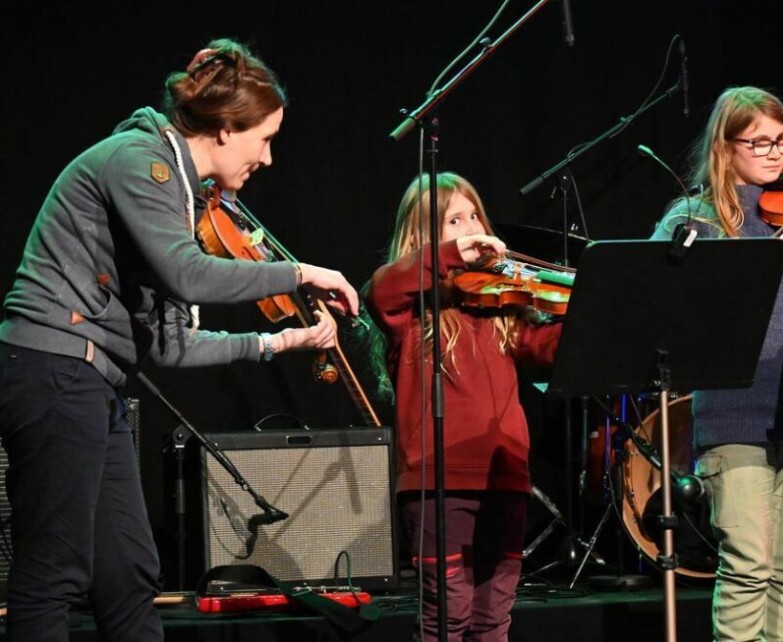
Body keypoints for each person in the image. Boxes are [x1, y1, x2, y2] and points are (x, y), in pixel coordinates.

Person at [0, 38, 359, 642]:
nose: (268, 158)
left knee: (127, 572)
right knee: (54, 571)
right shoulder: (142, 162)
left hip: (93, 380)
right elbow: (188, 273)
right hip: (55, 369)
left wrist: (281, 343)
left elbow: (168, 347)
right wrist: (300, 271)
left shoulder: (179, 197)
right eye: (264, 139)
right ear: (224, 129)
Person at [650, 86, 783, 642]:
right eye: (759, 142)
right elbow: (655, 295)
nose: (776, 152)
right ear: (725, 147)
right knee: (748, 565)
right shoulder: (696, 218)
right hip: (735, 406)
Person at [365, 172, 563, 642]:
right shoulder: (410, 315)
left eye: (475, 215)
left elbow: (550, 349)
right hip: (440, 480)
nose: (473, 226)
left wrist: (588, 307)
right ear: (421, 237)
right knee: (448, 615)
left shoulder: (501, 307)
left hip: (506, 475)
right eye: (456, 219)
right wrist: (453, 256)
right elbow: (381, 290)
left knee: (493, 617)